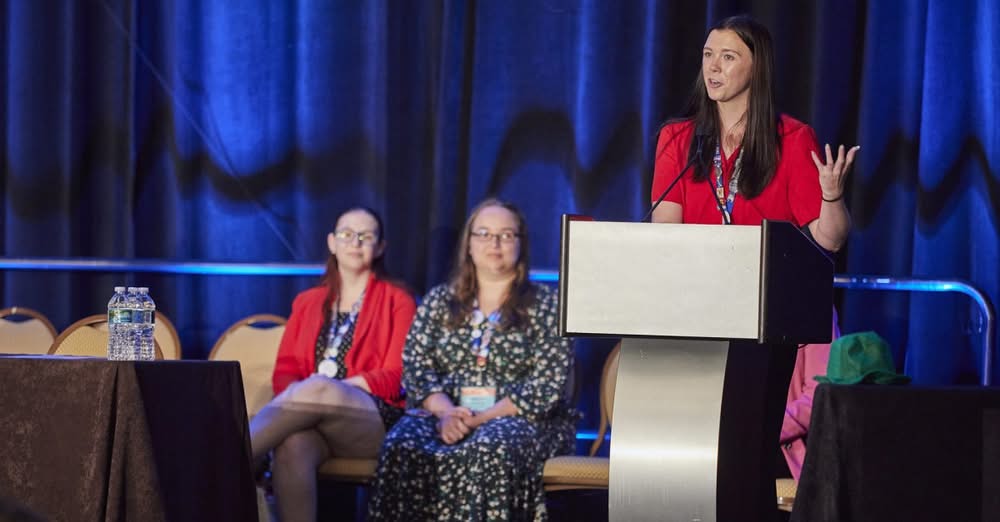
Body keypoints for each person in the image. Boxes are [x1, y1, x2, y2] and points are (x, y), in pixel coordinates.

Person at [650, 15, 854, 481]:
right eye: (707, 55)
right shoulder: (678, 140)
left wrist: (832, 194)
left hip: (762, 320)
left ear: (756, 68)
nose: (713, 67)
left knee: (742, 458)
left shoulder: (792, 139)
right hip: (694, 315)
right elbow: (664, 232)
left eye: (728, 56)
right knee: (692, 461)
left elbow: (829, 238)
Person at [368, 199, 577, 521]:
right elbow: (417, 367)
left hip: (520, 419)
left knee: (490, 446)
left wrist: (478, 420)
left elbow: (548, 384)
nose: (495, 243)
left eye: (506, 235)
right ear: (469, 243)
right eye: (484, 234)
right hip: (445, 412)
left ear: (521, 243)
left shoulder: (547, 305)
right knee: (402, 442)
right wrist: (446, 413)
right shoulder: (440, 301)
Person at [249, 207, 416, 522]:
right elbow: (286, 373)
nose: (355, 243)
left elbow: (398, 375)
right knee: (292, 445)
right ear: (331, 242)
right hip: (314, 422)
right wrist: (314, 394)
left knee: (320, 386)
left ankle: (228, 456)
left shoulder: (399, 300)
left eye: (366, 236)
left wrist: (331, 390)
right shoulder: (308, 301)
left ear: (380, 246)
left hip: (375, 419)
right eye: (347, 234)